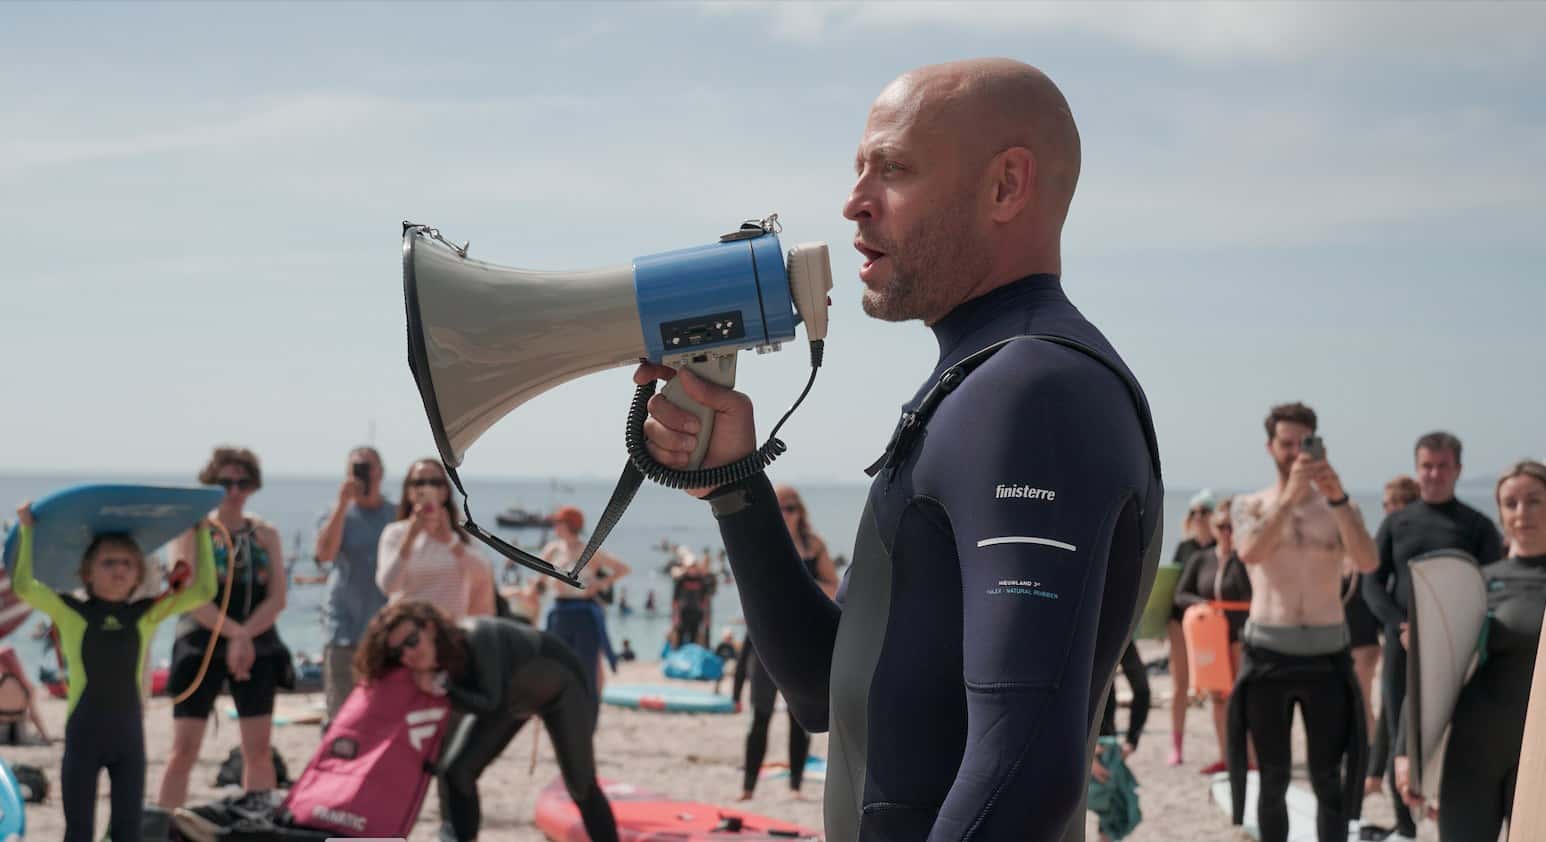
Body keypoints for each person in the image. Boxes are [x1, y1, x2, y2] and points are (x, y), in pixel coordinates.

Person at [634, 58, 1162, 841]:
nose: (854, 202)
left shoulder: (1035, 391)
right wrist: (734, 485)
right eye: (858, 171)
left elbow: (1024, 765)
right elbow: (824, 685)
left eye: (894, 170)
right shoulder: (977, 385)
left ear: (1006, 187)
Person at [12, 503, 214, 841]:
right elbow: (24, 587)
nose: (118, 570)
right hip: (83, 739)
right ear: (87, 572)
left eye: (127, 564)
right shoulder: (69, 611)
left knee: (127, 833)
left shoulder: (146, 614)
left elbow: (204, 591)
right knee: (78, 833)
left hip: (129, 743)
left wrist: (202, 533)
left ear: (139, 573)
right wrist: (27, 530)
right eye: (108, 563)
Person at [1227, 403, 1378, 842]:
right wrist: (1290, 497)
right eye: (1287, 444)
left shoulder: (1338, 507)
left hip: (1327, 654)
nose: (1296, 453)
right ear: (1270, 447)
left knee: (1328, 777)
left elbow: (1367, 560)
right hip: (1268, 653)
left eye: (1304, 444)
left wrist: (1338, 499)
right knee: (1272, 778)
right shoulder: (1250, 504)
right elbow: (1251, 552)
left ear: (1319, 444)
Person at [356, 601, 619, 842]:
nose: (408, 654)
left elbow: (491, 704)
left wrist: (443, 687)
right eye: (398, 652)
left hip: (562, 688)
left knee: (581, 787)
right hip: (511, 700)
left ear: (431, 628)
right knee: (455, 771)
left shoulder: (477, 635)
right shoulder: (433, 662)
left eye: (412, 641)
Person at [1361, 432, 1503, 839]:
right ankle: (1406, 830)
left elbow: (1492, 588)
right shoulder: (1396, 523)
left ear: (1457, 470)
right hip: (1404, 648)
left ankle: (1449, 818)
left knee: (1456, 738)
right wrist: (1398, 624)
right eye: (1427, 466)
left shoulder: (1477, 527)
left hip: (1458, 653)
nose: (1434, 474)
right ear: (1416, 468)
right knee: (1396, 738)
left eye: (1442, 466)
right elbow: (1373, 582)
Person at [1394, 460, 1546, 840]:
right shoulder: (1475, 582)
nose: (1521, 513)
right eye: (1510, 503)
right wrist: (1406, 752)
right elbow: (1431, 671)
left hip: (1539, 759)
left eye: (1534, 501)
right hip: (1472, 752)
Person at [160, 446, 290, 808]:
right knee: (184, 749)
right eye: (224, 482)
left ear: (253, 486)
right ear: (210, 484)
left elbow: (278, 598)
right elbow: (186, 595)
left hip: (257, 641)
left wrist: (245, 635)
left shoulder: (266, 533)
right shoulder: (193, 530)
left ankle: (259, 824)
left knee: (259, 750)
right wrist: (235, 634)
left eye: (242, 483)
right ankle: (166, 827)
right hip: (201, 641)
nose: (233, 491)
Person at [736, 485, 841, 802]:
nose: (786, 514)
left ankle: (795, 785)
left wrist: (802, 587)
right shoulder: (765, 542)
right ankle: (748, 787)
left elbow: (834, 587)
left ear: (801, 512)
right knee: (761, 714)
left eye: (792, 508)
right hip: (766, 635)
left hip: (803, 635)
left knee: (801, 716)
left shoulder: (814, 545)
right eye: (780, 508)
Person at [312, 446, 394, 720]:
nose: (361, 474)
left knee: (381, 713)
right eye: (354, 468)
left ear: (380, 473)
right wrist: (342, 505)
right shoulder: (336, 513)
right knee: (341, 714)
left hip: (383, 630)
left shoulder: (396, 514)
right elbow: (324, 555)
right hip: (343, 626)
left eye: (366, 467)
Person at [1173, 495, 1251, 774]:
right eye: (1221, 527)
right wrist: (1200, 603)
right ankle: (1226, 756)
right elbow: (1180, 594)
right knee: (1218, 697)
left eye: (1231, 527)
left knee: (1243, 695)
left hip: (1241, 633)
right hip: (1212, 635)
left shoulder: (1246, 560)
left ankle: (1250, 758)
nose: (1226, 533)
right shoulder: (1200, 559)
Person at [376, 458, 494, 621]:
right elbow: (388, 586)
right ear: (409, 491)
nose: (427, 487)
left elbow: (483, 574)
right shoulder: (395, 533)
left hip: (450, 632)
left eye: (435, 482)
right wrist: (410, 537)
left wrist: (450, 541)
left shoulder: (460, 534)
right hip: (409, 633)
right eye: (419, 482)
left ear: (445, 491)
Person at [1360, 475, 1420, 797]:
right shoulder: (1389, 534)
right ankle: (1374, 775)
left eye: (1389, 504)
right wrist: (1399, 625)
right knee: (1391, 708)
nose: (1385, 510)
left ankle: (1377, 776)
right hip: (1398, 633)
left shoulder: (1413, 532)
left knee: (1399, 714)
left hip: (1426, 635)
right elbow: (1374, 586)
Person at [542, 506, 630, 705]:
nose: (555, 526)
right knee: (557, 661)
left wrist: (600, 584)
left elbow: (623, 569)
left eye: (558, 522)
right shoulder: (552, 549)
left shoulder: (589, 550)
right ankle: (561, 701)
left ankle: (591, 703)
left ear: (569, 525)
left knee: (589, 663)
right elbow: (540, 580)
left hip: (583, 611)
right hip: (558, 610)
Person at [1167, 490, 1216, 766]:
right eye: (1194, 512)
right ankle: (1177, 747)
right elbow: (1170, 586)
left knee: (1218, 686)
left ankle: (1230, 748)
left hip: (1210, 625)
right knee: (1180, 685)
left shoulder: (1221, 547)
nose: (1198, 517)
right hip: (1179, 620)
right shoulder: (1184, 548)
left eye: (1204, 511)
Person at [668, 548, 715, 649]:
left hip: (697, 613)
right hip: (683, 612)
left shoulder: (701, 580)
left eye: (694, 566)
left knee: (694, 638)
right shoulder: (681, 580)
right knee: (680, 638)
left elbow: (705, 600)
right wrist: (675, 616)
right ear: (686, 567)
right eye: (690, 566)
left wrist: (706, 616)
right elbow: (675, 599)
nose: (692, 569)